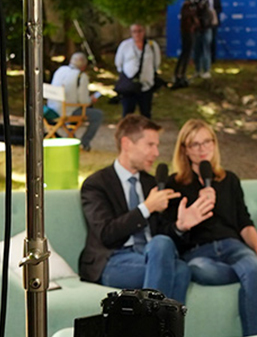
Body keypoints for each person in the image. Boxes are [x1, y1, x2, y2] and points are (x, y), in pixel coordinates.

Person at [170, 119, 257, 337]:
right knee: (200, 270)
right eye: (195, 144)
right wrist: (191, 214)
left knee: (252, 267)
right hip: (198, 251)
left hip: (233, 246)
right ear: (184, 149)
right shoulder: (175, 184)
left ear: (214, 144)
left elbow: (244, 223)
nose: (203, 149)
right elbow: (172, 233)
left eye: (207, 142)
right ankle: (248, 273)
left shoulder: (229, 179)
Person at [78, 114, 205, 302]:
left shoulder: (150, 182)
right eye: (150, 145)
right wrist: (146, 208)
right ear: (127, 144)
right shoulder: (96, 184)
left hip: (150, 256)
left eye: (157, 146)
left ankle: (153, 329)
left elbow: (160, 231)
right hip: (112, 261)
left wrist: (180, 226)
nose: (156, 153)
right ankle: (163, 329)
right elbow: (106, 233)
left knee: (172, 257)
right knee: (176, 266)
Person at [47, 51, 104, 149]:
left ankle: (71, 136)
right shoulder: (81, 76)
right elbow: (84, 101)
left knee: (76, 108)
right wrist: (91, 99)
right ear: (84, 66)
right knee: (98, 115)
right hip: (66, 111)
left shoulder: (60, 70)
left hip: (51, 107)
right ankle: (84, 142)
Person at [113, 22, 160, 119]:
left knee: (146, 113)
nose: (137, 34)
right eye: (134, 31)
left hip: (146, 85)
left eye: (140, 31)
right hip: (129, 86)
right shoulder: (125, 45)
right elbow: (119, 63)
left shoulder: (152, 45)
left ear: (144, 32)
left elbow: (156, 62)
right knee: (127, 114)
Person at [173, 0, 200, 87]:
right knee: (185, 53)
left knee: (187, 54)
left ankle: (182, 73)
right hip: (186, 33)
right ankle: (179, 74)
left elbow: (196, 21)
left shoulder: (189, 8)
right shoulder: (185, 8)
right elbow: (186, 16)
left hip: (190, 32)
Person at [196, 0, 221, 77]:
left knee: (208, 45)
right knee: (199, 48)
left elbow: (219, 9)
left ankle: (208, 66)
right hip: (201, 27)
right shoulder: (201, 0)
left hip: (210, 25)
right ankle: (198, 69)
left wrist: (212, 14)